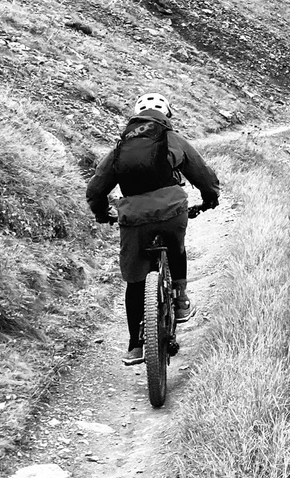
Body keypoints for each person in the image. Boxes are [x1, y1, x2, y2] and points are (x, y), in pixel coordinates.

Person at [87, 93, 220, 366]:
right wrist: (210, 198)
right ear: (166, 116)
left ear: (135, 118)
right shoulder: (172, 139)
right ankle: (181, 300)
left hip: (134, 218)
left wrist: (102, 214)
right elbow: (202, 175)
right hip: (172, 211)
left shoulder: (122, 146)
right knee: (176, 249)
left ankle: (135, 345)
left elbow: (96, 188)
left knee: (135, 279)